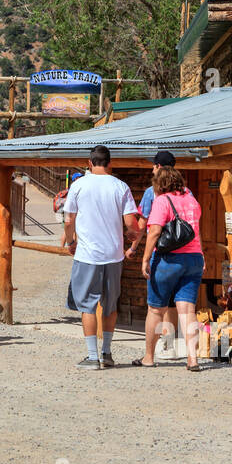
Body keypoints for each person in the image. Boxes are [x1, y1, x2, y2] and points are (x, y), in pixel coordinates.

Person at [62, 145, 139, 370]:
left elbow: (68, 221)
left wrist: (70, 242)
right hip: (113, 255)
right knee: (110, 305)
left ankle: (92, 356)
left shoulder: (78, 186)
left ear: (89, 163)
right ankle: (106, 352)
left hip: (87, 255)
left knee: (87, 305)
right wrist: (133, 235)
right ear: (110, 163)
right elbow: (130, 223)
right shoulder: (120, 186)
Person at [138, 165, 205, 371]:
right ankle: (192, 359)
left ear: (160, 183)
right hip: (194, 258)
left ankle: (148, 357)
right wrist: (202, 256)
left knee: (156, 309)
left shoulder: (162, 201)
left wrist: (145, 258)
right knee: (187, 310)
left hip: (169, 260)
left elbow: (155, 231)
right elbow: (197, 232)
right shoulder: (192, 201)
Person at [138, 150, 189, 348]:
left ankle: (153, 349)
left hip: (163, 252)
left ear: (159, 166)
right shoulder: (188, 192)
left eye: (153, 165)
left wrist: (136, 247)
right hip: (186, 252)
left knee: (157, 305)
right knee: (177, 302)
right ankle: (170, 341)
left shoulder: (153, 192)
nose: (152, 168)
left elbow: (146, 225)